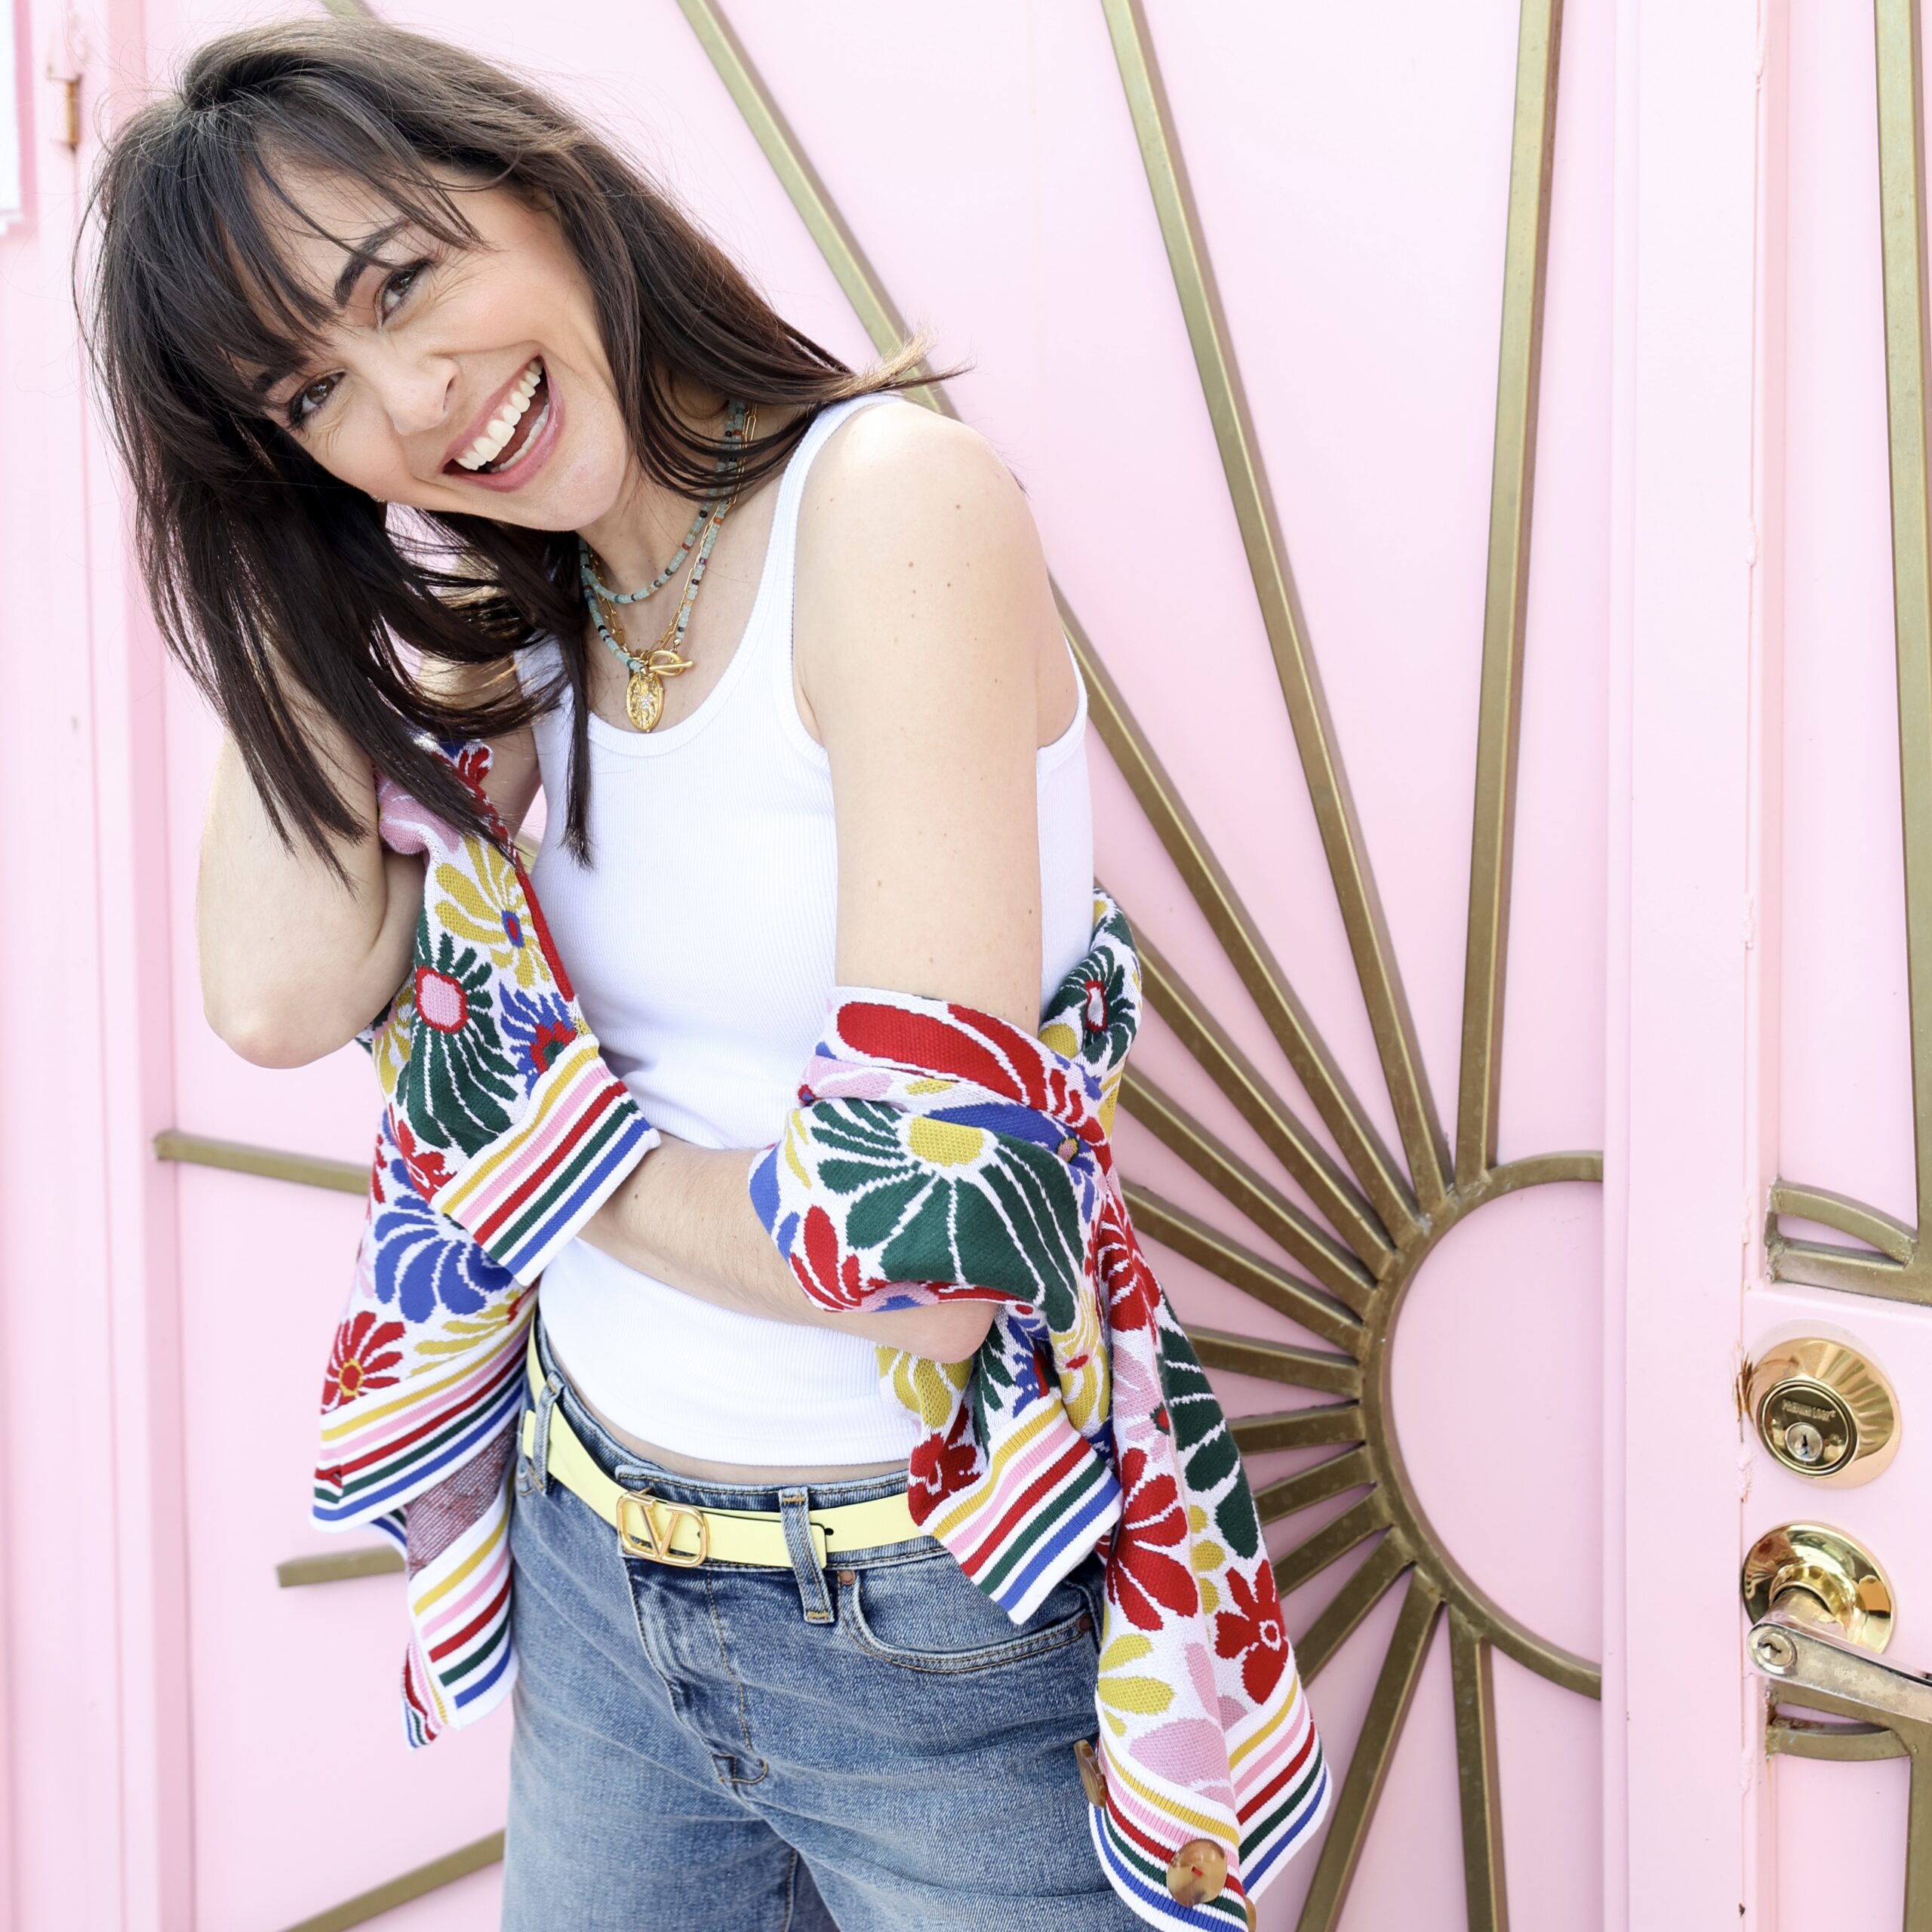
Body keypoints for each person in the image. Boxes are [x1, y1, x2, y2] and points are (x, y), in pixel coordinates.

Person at [87, 19, 1137, 1930]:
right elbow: (275, 993)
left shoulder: (885, 508)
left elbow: (921, 1262)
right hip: (597, 1563)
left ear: (536, 186)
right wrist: (287, 555)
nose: (414, 401)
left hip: (922, 1608)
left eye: (400, 284)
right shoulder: (525, 621)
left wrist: (531, 1153)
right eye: (312, 394)